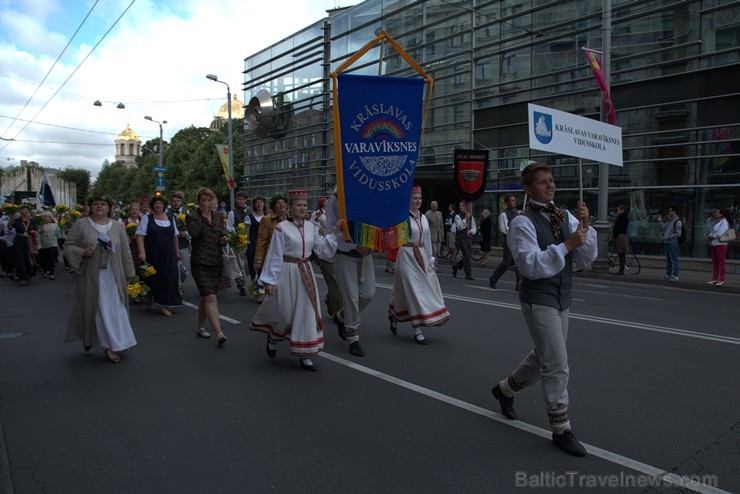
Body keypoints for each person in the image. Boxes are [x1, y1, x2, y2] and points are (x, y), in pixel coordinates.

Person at [489, 162, 597, 457]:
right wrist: (566, 245)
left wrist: (586, 228)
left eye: (551, 181)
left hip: (562, 294)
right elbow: (529, 265)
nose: (550, 185)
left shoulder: (565, 215)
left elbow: (587, 258)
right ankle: (561, 427)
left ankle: (505, 389)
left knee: (545, 354)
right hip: (538, 297)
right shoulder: (521, 223)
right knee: (557, 361)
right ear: (528, 189)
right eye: (542, 182)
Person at [249, 190, 340, 371]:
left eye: (304, 205)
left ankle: (305, 354)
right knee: (285, 313)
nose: (302, 208)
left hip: (305, 272)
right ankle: (273, 338)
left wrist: (335, 232)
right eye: (298, 205)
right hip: (287, 272)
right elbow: (274, 255)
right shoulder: (282, 228)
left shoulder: (311, 227)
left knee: (306, 312)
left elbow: (321, 249)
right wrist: (270, 281)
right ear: (290, 208)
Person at [64, 194, 136, 363]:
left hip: (113, 276)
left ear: (110, 208)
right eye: (95, 204)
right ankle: (90, 338)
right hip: (91, 276)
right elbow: (68, 246)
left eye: (103, 204)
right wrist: (82, 252)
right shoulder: (81, 225)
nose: (99, 207)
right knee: (96, 309)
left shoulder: (118, 227)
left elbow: (125, 251)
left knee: (115, 309)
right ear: (90, 207)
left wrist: (130, 275)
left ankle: (112, 345)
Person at [388, 186, 451, 344]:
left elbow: (427, 240)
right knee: (415, 289)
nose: (418, 201)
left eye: (420, 198)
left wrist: (430, 259)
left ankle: (394, 316)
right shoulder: (402, 217)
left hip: (421, 255)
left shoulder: (423, 218)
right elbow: (393, 236)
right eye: (415, 198)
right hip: (407, 255)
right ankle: (417, 328)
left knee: (404, 291)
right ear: (408, 200)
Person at [325, 193, 374, 357]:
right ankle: (353, 336)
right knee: (351, 297)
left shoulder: (369, 192)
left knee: (367, 294)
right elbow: (331, 230)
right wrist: (354, 245)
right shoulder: (335, 198)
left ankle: (341, 316)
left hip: (366, 253)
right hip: (345, 252)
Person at [187, 187, 228, 345]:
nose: (207, 203)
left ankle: (200, 327)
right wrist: (202, 215)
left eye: (209, 200)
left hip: (216, 261)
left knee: (207, 296)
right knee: (210, 297)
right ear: (198, 202)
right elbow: (194, 233)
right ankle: (219, 333)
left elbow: (222, 233)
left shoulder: (218, 216)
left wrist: (224, 239)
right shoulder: (192, 217)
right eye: (203, 201)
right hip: (200, 262)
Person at [136, 195, 182, 316]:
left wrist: (177, 251)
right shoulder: (147, 218)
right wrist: (142, 252)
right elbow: (140, 236)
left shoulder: (170, 218)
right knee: (153, 277)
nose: (158, 205)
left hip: (169, 253)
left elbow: (175, 236)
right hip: (153, 252)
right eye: (156, 203)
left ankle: (165, 304)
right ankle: (153, 301)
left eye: (160, 204)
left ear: (164, 206)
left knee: (169, 277)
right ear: (152, 206)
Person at [310, 197, 343, 330]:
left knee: (337, 284)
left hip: (340, 253)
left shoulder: (341, 217)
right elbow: (317, 234)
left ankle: (330, 300)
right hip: (326, 251)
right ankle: (337, 312)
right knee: (334, 284)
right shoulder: (318, 215)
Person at [254, 193, 288, 303]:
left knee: (281, 285)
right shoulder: (267, 219)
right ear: (273, 206)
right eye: (278, 203)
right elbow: (261, 240)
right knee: (262, 278)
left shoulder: (290, 219)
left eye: (283, 203)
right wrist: (258, 259)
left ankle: (278, 302)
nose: (281, 205)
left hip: (287, 257)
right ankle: (259, 294)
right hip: (271, 256)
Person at [489, 194, 519, 290]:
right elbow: (504, 229)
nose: (514, 202)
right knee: (506, 263)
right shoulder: (504, 214)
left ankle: (519, 285)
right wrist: (513, 233)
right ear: (507, 203)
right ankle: (493, 279)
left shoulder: (517, 214)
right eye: (511, 200)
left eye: (514, 200)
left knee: (519, 263)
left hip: (517, 242)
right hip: (508, 241)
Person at [226, 190, 251, 296]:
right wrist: (235, 235)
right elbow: (229, 226)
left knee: (248, 264)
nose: (239, 201)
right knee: (239, 264)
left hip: (251, 240)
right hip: (239, 241)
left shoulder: (251, 211)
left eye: (241, 199)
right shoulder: (232, 213)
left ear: (245, 200)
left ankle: (253, 283)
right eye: (237, 199)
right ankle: (242, 285)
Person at [167, 191, 191, 291]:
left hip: (184, 243)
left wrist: (186, 234)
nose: (176, 203)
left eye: (178, 201)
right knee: (174, 266)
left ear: (181, 202)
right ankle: (177, 285)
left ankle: (179, 281)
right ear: (171, 202)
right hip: (172, 244)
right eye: (174, 201)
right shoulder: (167, 213)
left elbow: (191, 227)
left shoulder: (187, 212)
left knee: (185, 268)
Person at [10, 207, 38, 286]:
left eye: (26, 210)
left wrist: (33, 232)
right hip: (19, 240)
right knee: (20, 258)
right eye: (23, 210)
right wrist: (11, 218)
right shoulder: (17, 221)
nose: (25, 212)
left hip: (29, 240)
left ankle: (29, 274)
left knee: (28, 258)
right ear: (20, 212)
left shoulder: (32, 221)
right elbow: (10, 227)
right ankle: (23, 277)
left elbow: (36, 230)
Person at [451, 200, 476, 280]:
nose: (460, 207)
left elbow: (474, 227)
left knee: (467, 256)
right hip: (461, 238)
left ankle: (456, 266)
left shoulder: (470, 216)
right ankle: (468, 274)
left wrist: (471, 231)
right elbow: (459, 227)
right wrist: (465, 219)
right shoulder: (457, 216)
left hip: (468, 238)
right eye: (460, 205)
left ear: (466, 207)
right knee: (466, 255)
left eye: (462, 205)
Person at [245, 195, 266, 286]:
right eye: (257, 202)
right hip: (252, 246)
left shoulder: (268, 217)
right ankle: (255, 291)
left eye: (261, 202)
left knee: (262, 271)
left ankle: (260, 291)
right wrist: (244, 247)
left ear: (264, 204)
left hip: (264, 246)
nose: (259, 204)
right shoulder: (249, 217)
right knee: (253, 270)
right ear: (254, 204)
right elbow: (246, 233)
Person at [707, 208, 731, 286]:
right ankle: (714, 279)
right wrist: (709, 236)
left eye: (717, 213)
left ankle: (721, 279)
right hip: (714, 244)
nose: (715, 214)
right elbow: (713, 231)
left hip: (721, 244)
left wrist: (712, 237)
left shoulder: (724, 222)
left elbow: (720, 233)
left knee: (721, 262)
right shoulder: (717, 221)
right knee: (715, 262)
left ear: (721, 214)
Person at [658, 206, 682, 282]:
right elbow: (664, 227)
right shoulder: (669, 220)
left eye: (670, 211)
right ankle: (668, 274)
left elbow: (678, 233)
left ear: (674, 212)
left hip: (672, 243)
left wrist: (669, 237)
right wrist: (660, 221)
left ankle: (675, 275)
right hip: (667, 242)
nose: (669, 212)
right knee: (668, 260)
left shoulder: (677, 221)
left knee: (674, 259)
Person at [37, 212, 62, 280]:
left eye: (46, 217)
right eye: (44, 217)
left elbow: (58, 234)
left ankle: (51, 273)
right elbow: (38, 232)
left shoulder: (55, 225)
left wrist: (58, 244)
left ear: (50, 217)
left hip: (52, 244)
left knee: (51, 258)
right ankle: (45, 271)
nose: (45, 218)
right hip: (43, 244)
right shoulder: (41, 226)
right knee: (44, 259)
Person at [612, 203, 629, 276]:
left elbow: (617, 228)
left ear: (622, 210)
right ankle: (621, 270)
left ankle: (621, 270)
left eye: (618, 210)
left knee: (621, 253)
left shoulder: (621, 217)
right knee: (622, 254)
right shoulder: (626, 217)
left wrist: (614, 235)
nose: (617, 211)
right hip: (623, 235)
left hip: (620, 236)